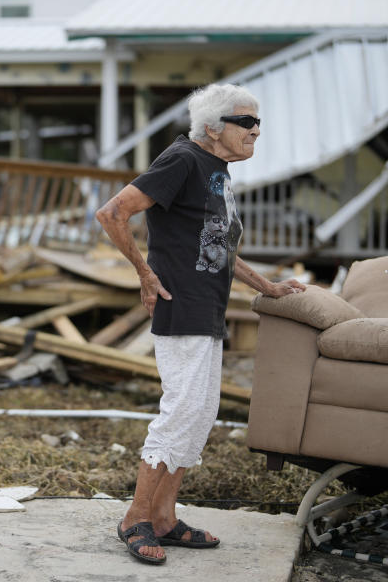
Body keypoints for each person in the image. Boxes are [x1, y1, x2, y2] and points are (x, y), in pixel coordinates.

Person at [95, 82, 306, 565]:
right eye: (246, 122)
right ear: (213, 127)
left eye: (258, 122)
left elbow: (220, 245)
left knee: (200, 412)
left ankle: (165, 518)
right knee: (181, 412)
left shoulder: (216, 170)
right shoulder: (183, 160)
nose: (257, 130)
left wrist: (267, 287)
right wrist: (145, 274)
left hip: (206, 306)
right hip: (181, 303)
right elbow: (112, 214)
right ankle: (136, 518)